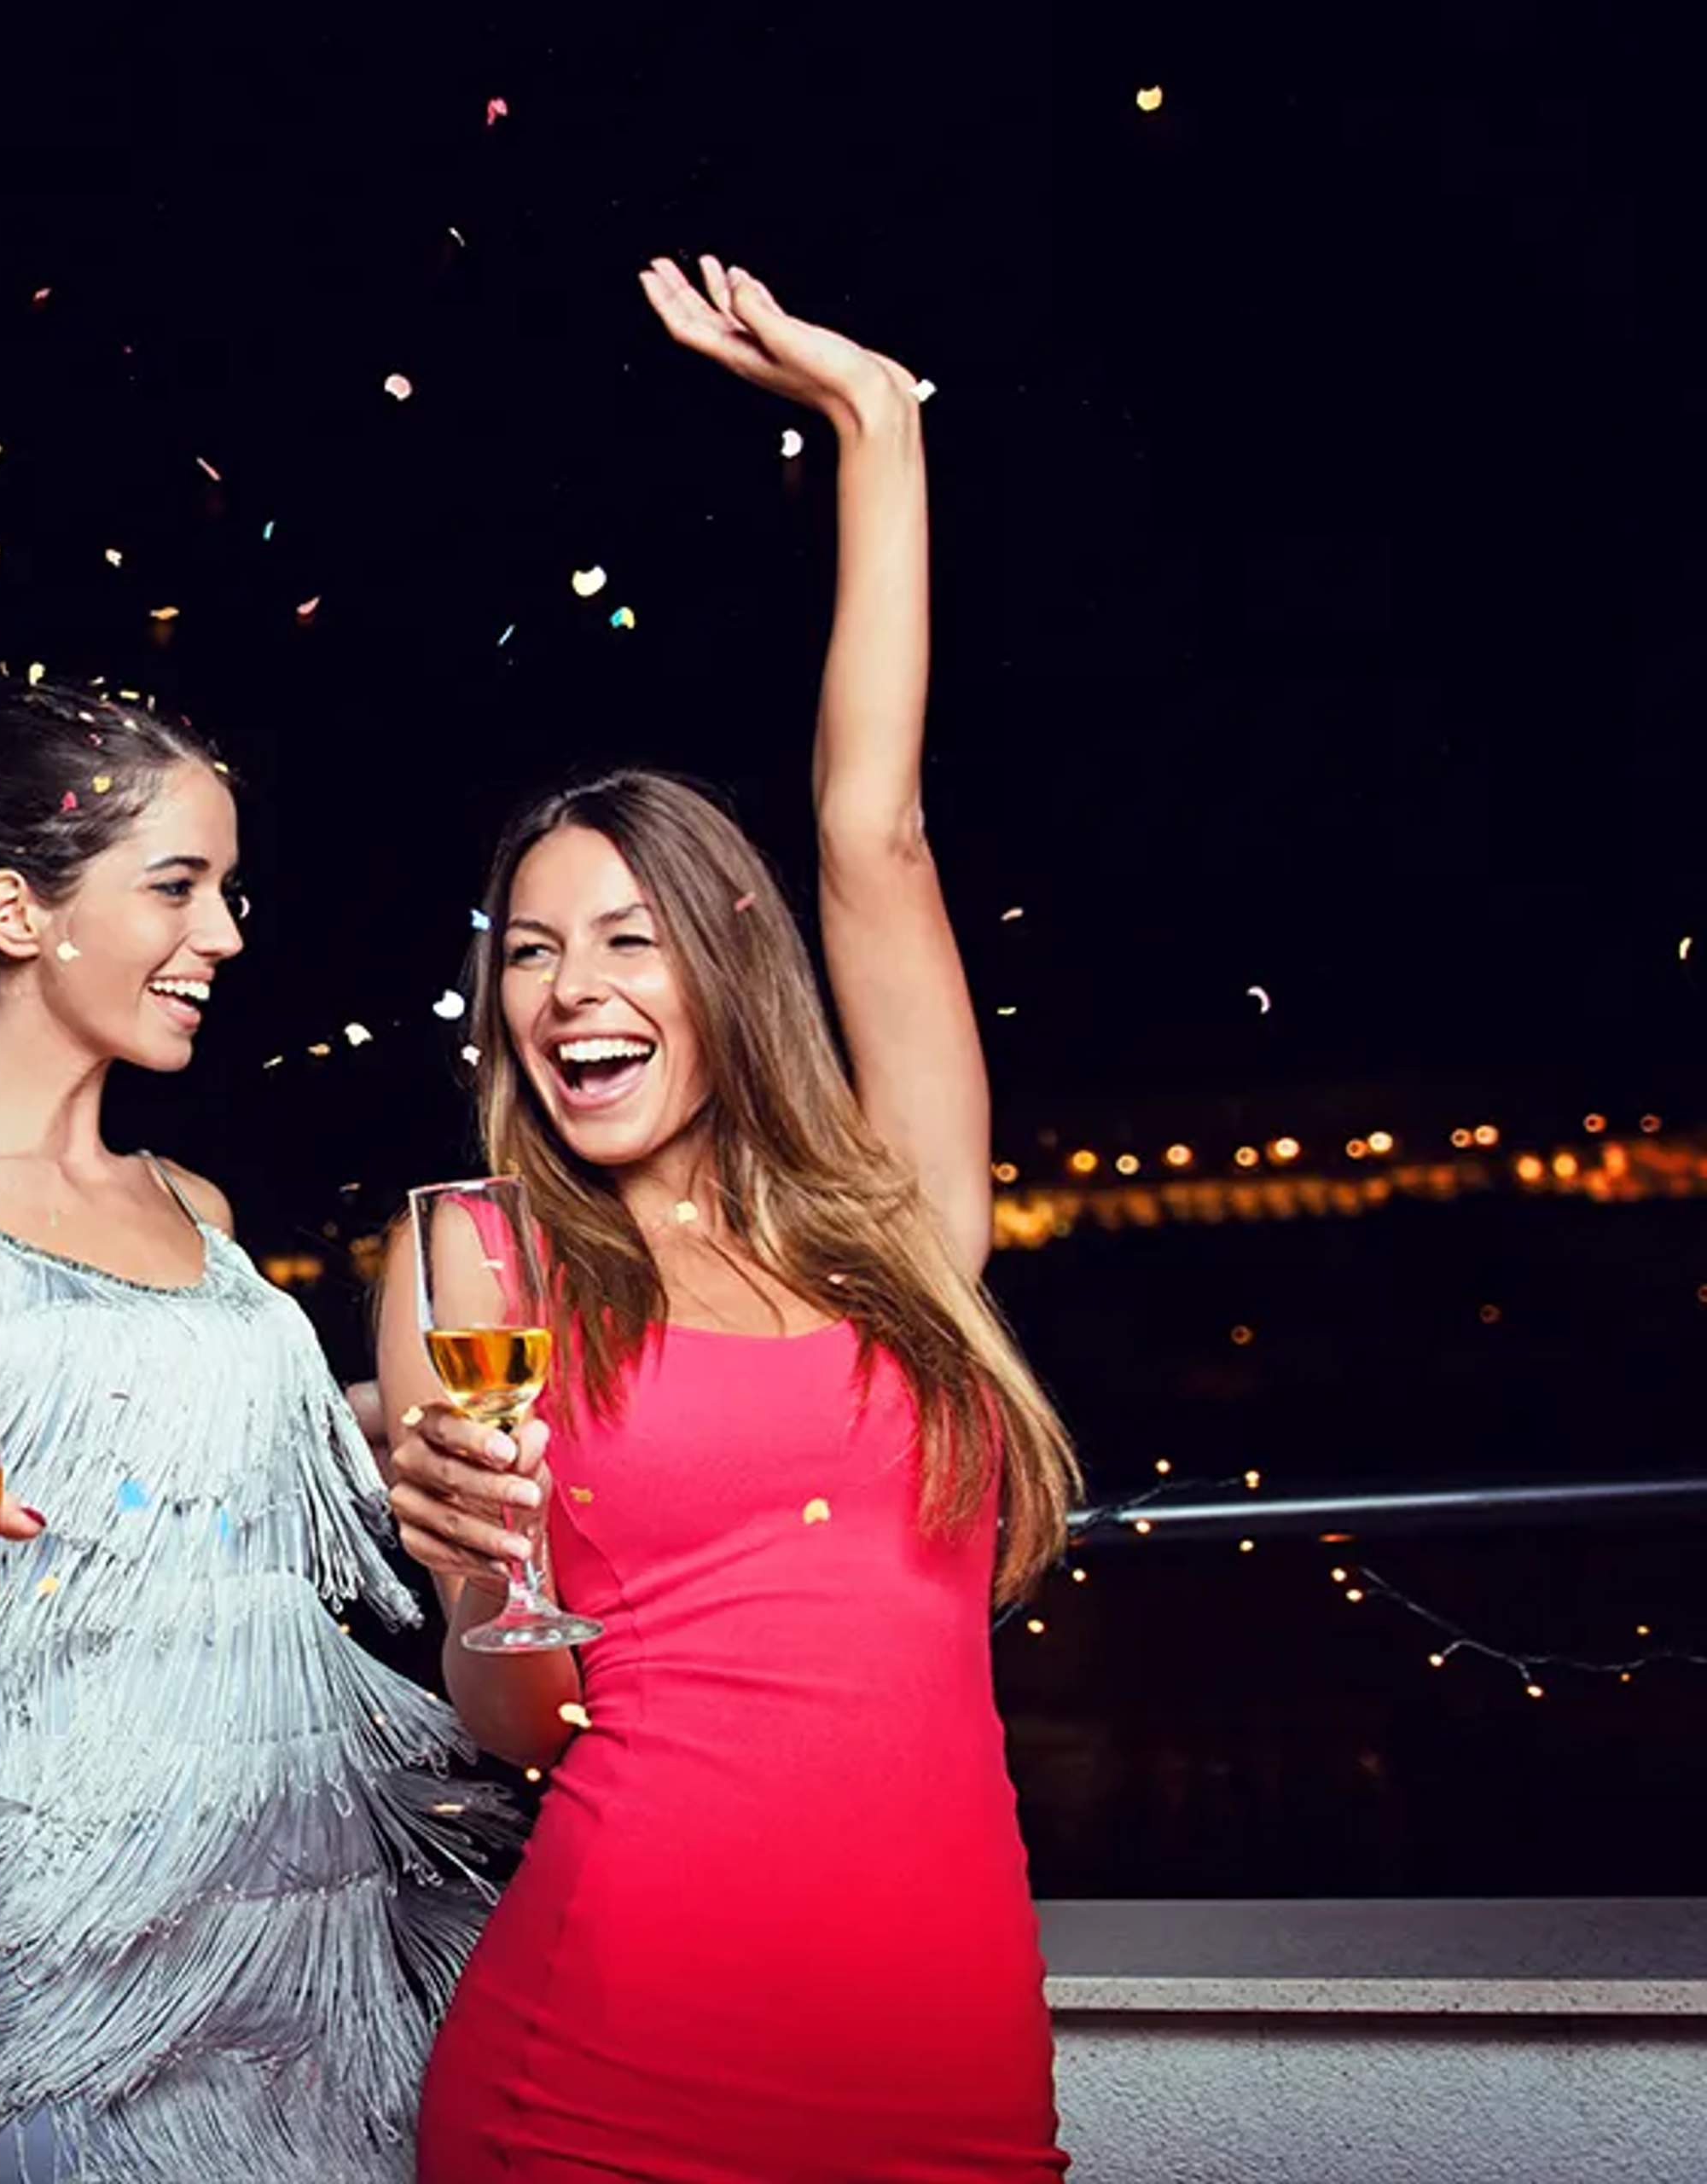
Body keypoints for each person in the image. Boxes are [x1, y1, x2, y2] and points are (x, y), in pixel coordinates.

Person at [386, 257, 1080, 2182]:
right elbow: (509, 1714)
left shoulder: (904, 1224)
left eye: (625, 938)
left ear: (724, 964)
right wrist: (489, 1563)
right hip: (601, 2072)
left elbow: (877, 825)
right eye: (529, 951)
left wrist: (876, 424)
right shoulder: (482, 1261)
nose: (570, 987)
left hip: (944, 2061)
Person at [0, 685, 507, 2182]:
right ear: (21, 912)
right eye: (177, 887)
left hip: (309, 1922)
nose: (222, 935)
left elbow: (209, 1480)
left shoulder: (197, 1210)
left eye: (226, 891)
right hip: (63, 1954)